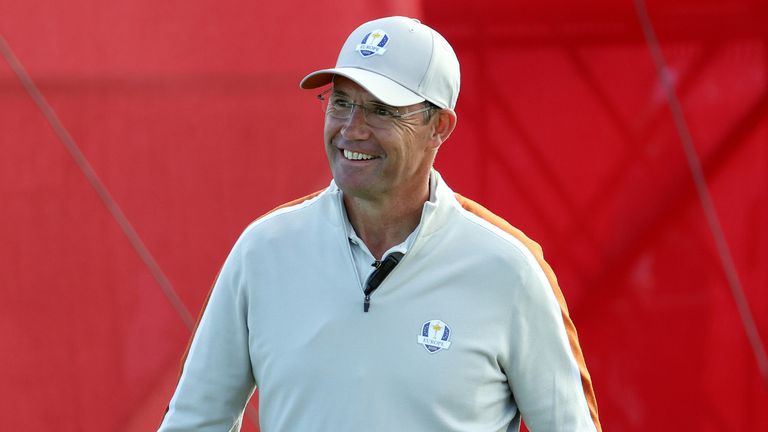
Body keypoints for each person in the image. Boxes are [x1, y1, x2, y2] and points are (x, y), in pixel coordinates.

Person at [159, 16, 601, 432]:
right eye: (341, 102)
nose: (352, 129)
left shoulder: (511, 269)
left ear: (439, 127)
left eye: (382, 111)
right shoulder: (262, 252)